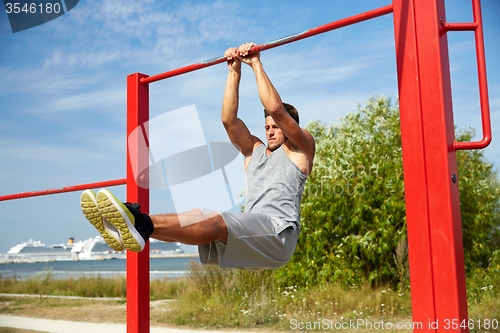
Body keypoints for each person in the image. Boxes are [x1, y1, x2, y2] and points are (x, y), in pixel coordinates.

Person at [80, 42, 315, 270]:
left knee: (218, 221)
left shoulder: (300, 149)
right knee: (197, 215)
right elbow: (228, 120)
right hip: (254, 239)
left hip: (278, 235)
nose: (270, 130)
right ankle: (138, 226)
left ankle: (137, 221)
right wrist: (234, 70)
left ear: (290, 127)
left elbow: (275, 108)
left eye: (276, 126)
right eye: (267, 127)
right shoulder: (254, 151)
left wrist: (255, 63)